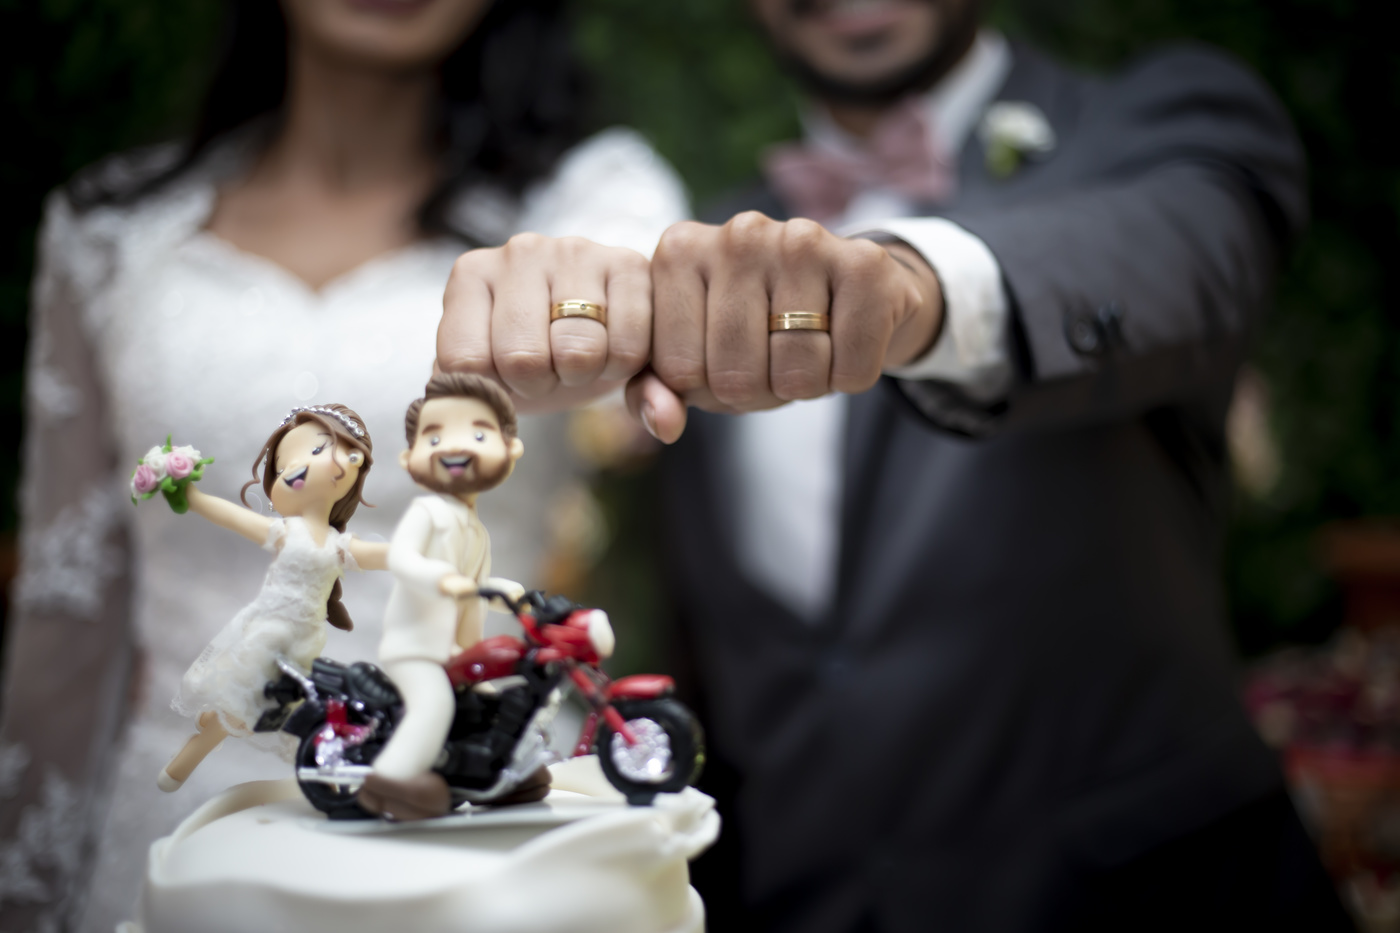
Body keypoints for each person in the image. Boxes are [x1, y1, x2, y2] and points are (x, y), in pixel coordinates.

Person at [435, 1, 1352, 930]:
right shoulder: (711, 248)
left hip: (1142, 899)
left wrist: (912, 288)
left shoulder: (1162, 119)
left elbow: (1171, 254)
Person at [0, 1, 685, 929]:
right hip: (173, 825)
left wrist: (632, 329)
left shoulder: (581, 200)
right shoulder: (114, 230)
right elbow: (70, 601)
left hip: (490, 862)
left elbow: (635, 286)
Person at [162, 404, 387, 791]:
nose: (295, 468)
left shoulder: (339, 546)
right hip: (267, 635)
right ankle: (184, 761)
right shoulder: (285, 532)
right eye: (282, 468)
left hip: (304, 644)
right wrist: (193, 496)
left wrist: (422, 553)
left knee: (289, 713)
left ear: (354, 459)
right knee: (241, 710)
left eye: (316, 450)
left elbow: (380, 555)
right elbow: (232, 516)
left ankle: (325, 778)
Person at [358, 373, 532, 820]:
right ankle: (390, 780)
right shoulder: (427, 511)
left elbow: (476, 586)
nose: (454, 447)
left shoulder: (477, 531)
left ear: (511, 449)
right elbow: (401, 558)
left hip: (458, 653)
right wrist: (440, 578)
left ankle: (492, 776)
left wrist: (506, 593)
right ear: (409, 458)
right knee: (433, 704)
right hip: (417, 649)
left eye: (479, 434)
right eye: (433, 438)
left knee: (492, 708)